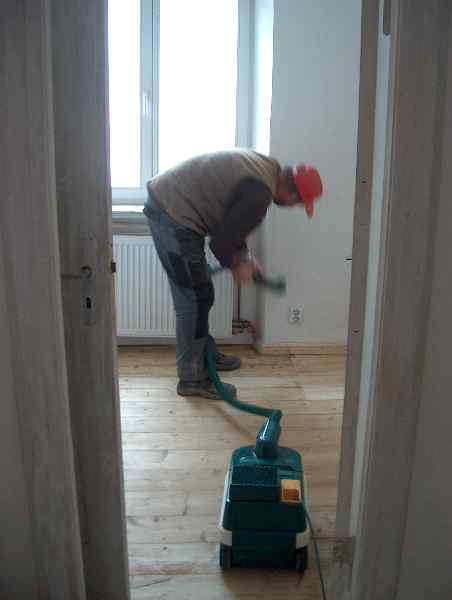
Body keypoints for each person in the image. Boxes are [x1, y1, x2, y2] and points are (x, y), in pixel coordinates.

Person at [143, 148, 323, 400]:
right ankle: (192, 378)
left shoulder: (267, 170)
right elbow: (220, 243)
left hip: (172, 206)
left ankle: (205, 355)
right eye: (299, 203)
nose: (295, 207)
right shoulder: (259, 194)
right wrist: (237, 265)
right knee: (193, 299)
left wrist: (245, 258)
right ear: (292, 194)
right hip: (172, 213)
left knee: (202, 294)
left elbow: (232, 227)